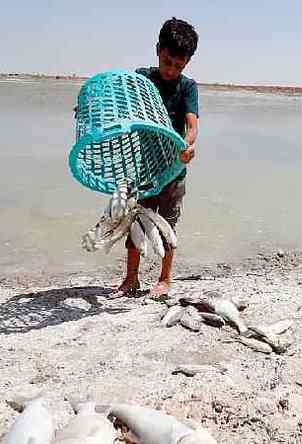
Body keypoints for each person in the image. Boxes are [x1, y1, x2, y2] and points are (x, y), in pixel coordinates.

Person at [113, 17, 199, 299]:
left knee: (167, 228)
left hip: (173, 172)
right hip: (144, 170)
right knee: (136, 224)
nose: (172, 70)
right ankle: (131, 278)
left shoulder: (187, 88)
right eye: (168, 61)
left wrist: (187, 146)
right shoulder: (142, 78)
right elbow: (119, 106)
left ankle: (164, 279)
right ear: (158, 50)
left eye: (179, 65)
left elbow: (192, 124)